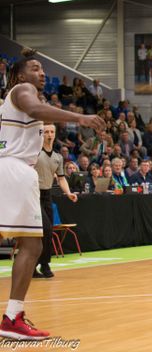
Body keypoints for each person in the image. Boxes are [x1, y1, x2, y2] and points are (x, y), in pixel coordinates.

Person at [0, 48, 104, 340]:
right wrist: (80, 118)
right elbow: (36, 111)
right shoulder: (22, 90)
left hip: (13, 169)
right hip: (15, 170)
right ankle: (11, 318)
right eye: (35, 68)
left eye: (43, 69)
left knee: (31, 245)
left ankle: (13, 317)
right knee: (32, 246)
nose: (42, 73)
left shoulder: (21, 98)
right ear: (20, 75)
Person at [33, 123, 78, 279]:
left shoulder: (58, 157)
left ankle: (41, 264)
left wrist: (68, 193)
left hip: (47, 195)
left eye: (52, 132)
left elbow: (61, 178)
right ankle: (41, 264)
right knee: (44, 229)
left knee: (48, 230)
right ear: (41, 134)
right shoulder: (34, 153)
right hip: (33, 195)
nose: (49, 134)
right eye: (46, 132)